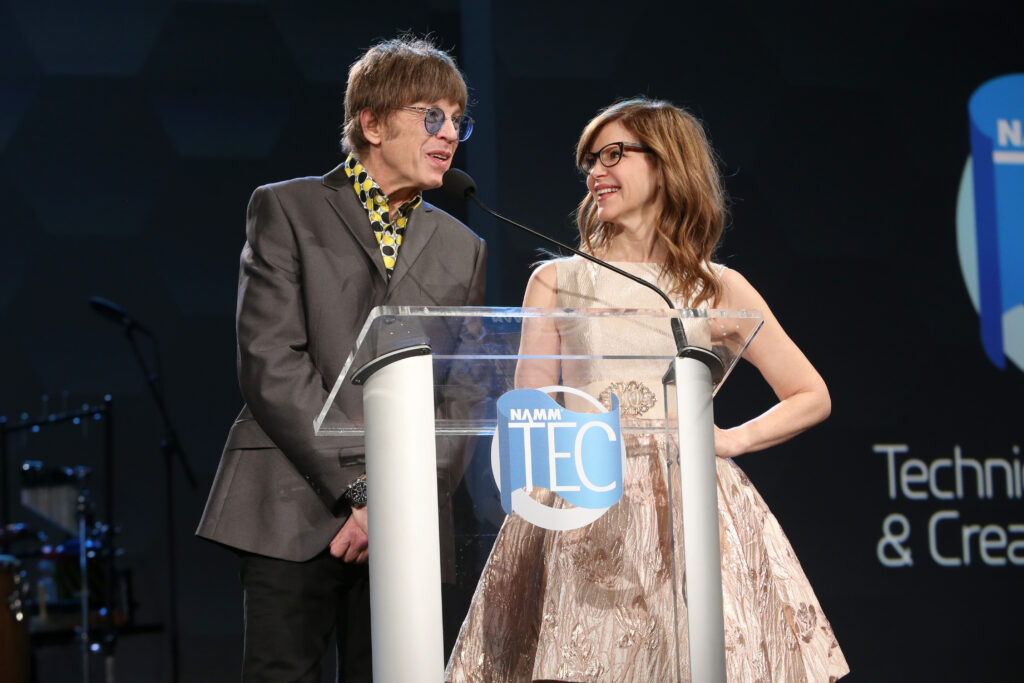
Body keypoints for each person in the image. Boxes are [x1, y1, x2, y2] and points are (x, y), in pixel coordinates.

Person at [446, 99, 848, 682]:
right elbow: (531, 410)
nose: (595, 172)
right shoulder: (557, 280)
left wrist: (730, 440)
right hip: (585, 499)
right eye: (590, 160)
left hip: (694, 506)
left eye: (614, 154)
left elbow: (811, 393)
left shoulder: (716, 286)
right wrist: (538, 507)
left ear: (666, 164)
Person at [197, 36, 486, 682]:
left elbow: (462, 397)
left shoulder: (464, 246)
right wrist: (358, 491)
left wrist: (394, 500)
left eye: (458, 120)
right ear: (373, 123)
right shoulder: (287, 208)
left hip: (407, 525)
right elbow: (272, 361)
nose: (449, 135)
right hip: (291, 505)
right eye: (430, 116)